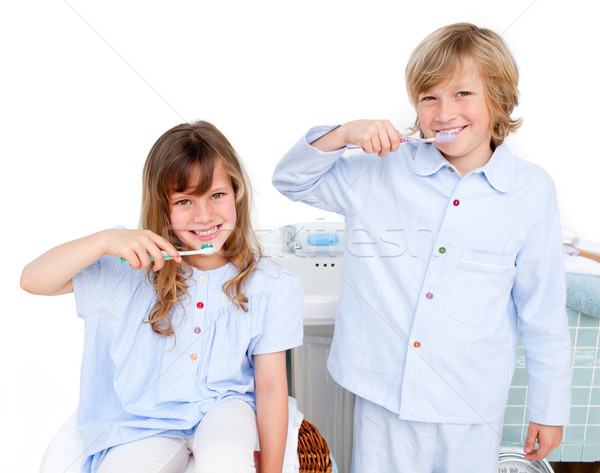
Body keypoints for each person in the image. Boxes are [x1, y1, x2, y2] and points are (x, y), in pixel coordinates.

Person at [272, 23, 571, 473]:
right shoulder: (380, 170)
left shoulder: (530, 192)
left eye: (463, 94)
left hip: (470, 405)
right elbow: (291, 178)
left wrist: (549, 409)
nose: (444, 112)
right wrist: (344, 133)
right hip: (384, 398)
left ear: (499, 97)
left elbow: (543, 310)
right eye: (429, 97)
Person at [21, 121, 303, 473]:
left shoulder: (271, 283)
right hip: (144, 418)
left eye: (217, 195)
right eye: (184, 201)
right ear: (162, 207)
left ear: (237, 193)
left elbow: (272, 384)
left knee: (226, 460)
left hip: (225, 407)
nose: (204, 216)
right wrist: (104, 241)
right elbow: (33, 280)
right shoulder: (126, 266)